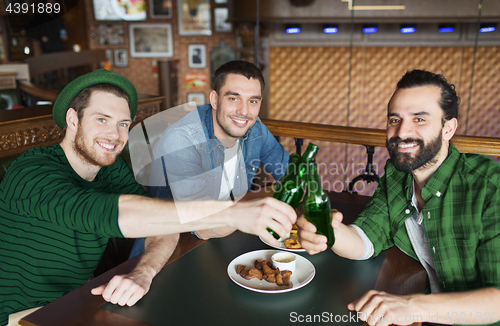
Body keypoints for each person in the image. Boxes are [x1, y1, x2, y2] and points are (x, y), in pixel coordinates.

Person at [0, 69, 296, 326]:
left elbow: (161, 219)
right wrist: (233, 213)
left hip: (78, 301)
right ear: (73, 119)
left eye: (122, 124)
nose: (114, 135)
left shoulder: (109, 170)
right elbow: (114, 213)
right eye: (101, 119)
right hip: (21, 315)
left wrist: (144, 272)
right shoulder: (31, 171)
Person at [297, 69, 500, 325]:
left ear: (448, 128)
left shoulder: (491, 186)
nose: (402, 131)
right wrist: (328, 229)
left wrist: (411, 305)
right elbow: (368, 237)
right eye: (394, 119)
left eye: (419, 119)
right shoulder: (397, 173)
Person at [129, 60, 288, 257]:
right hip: (168, 249)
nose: (244, 111)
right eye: (233, 98)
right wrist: (257, 204)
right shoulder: (183, 138)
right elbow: (201, 225)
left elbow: (290, 174)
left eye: (252, 101)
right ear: (214, 99)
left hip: (224, 240)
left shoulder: (256, 129)